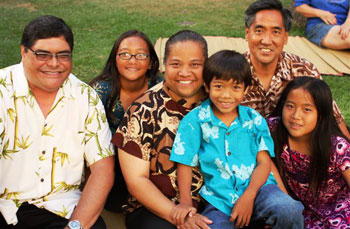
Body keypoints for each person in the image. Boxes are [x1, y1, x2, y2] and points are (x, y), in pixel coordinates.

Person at [0, 15, 115, 229]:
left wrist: (76, 226)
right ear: (23, 52)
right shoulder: (2, 91)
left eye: (63, 55)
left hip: (61, 208)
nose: (54, 64)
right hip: (4, 206)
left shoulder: (86, 98)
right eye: (43, 54)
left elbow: (102, 168)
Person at [170, 50, 304, 229]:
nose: (226, 95)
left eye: (235, 87)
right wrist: (185, 202)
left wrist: (249, 195)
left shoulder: (254, 119)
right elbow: (185, 161)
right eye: (218, 86)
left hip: (260, 190)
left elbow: (264, 163)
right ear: (207, 87)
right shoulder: (195, 120)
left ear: (246, 89)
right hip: (219, 199)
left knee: (288, 210)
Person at [112, 30, 213, 229]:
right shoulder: (142, 109)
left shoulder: (218, 103)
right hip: (155, 208)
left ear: (206, 66)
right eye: (176, 64)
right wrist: (180, 216)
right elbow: (137, 181)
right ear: (165, 65)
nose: (185, 72)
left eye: (195, 65)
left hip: (213, 204)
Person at [242, 0, 350, 139]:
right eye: (259, 31)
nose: (267, 40)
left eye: (275, 32)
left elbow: (331, 115)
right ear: (247, 33)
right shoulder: (231, 72)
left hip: (294, 153)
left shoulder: (304, 70)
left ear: (285, 37)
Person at [90, 30, 162, 212]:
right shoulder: (99, 91)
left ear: (151, 62)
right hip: (111, 168)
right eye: (124, 54)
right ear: (115, 59)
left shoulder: (161, 88)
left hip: (151, 167)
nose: (132, 60)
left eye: (140, 54)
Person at [268, 76, 350, 228]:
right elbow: (266, 163)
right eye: (290, 106)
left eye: (307, 109)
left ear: (321, 114)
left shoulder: (337, 147)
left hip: (343, 210)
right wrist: (286, 203)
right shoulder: (272, 130)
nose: (296, 116)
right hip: (306, 212)